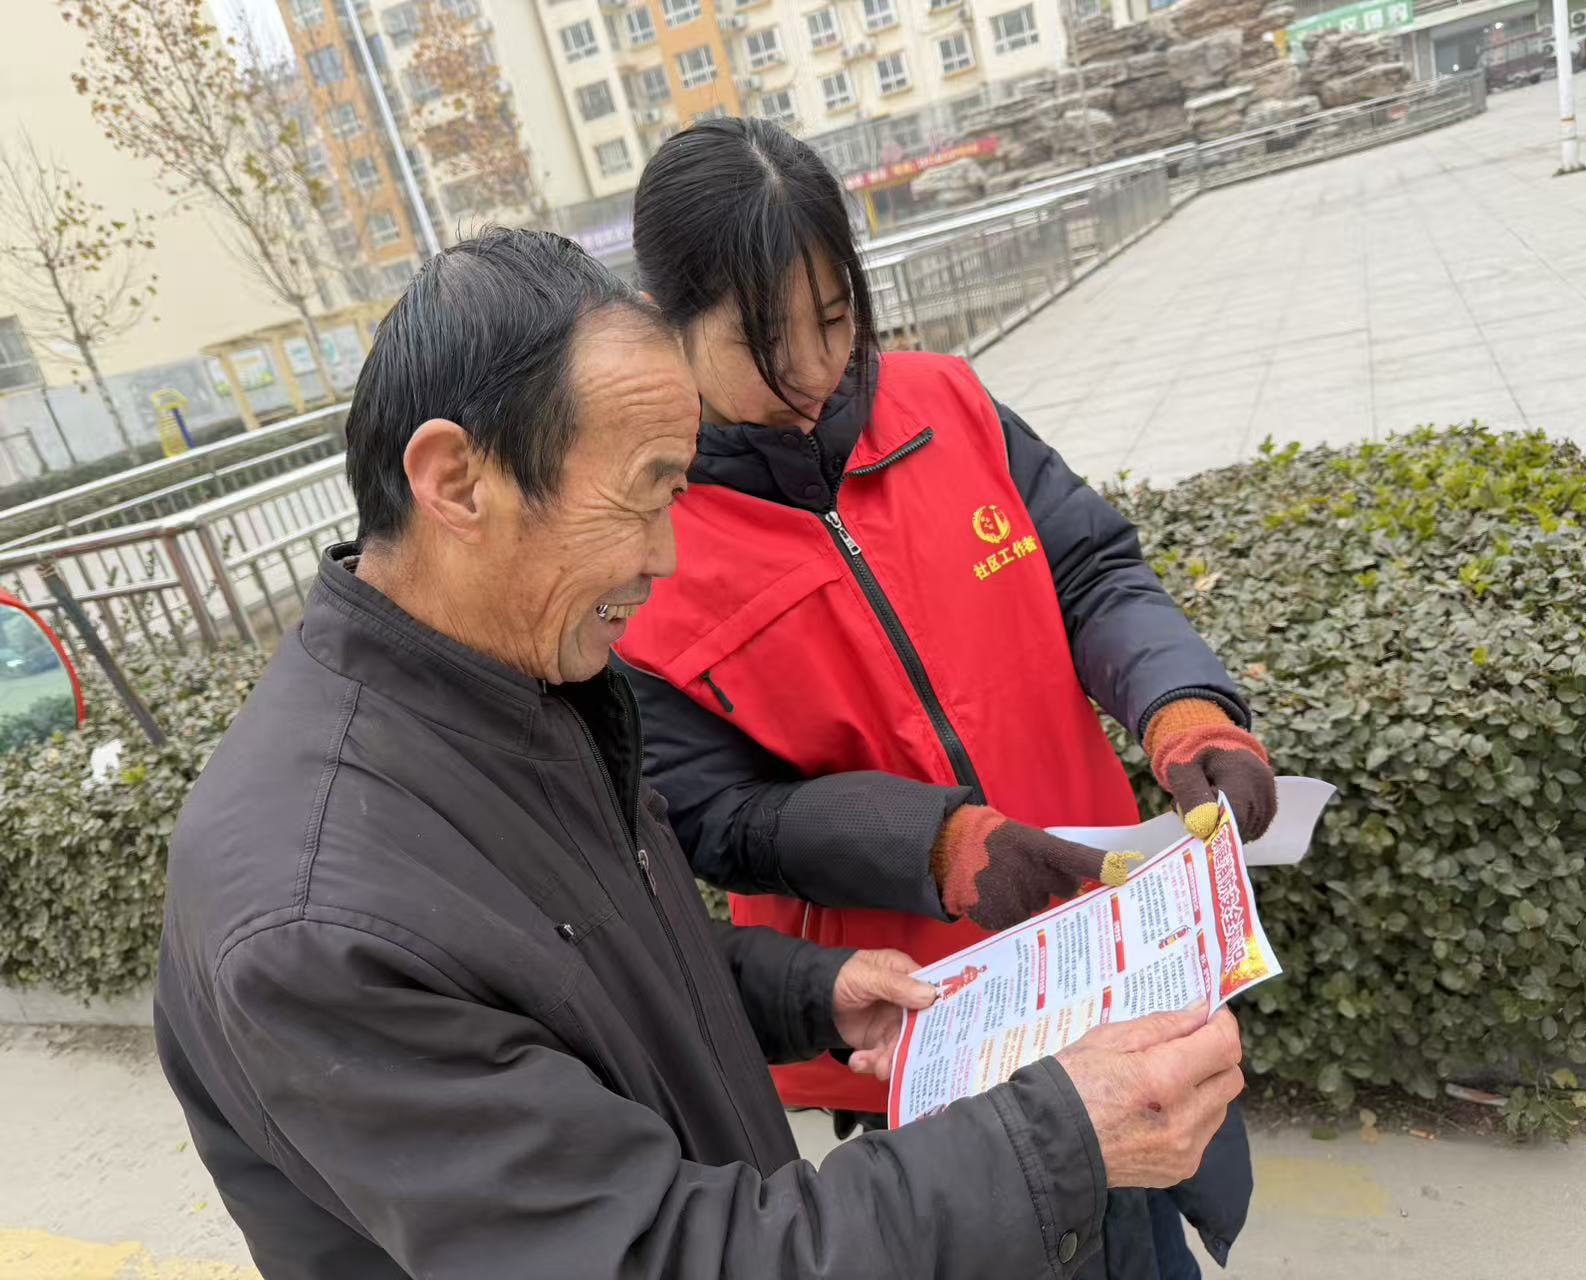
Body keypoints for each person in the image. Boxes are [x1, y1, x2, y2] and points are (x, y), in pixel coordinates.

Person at [153, 227, 1247, 1280]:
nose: (665, 556)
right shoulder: (316, 924)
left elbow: (597, 964)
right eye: (643, 494)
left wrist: (810, 990)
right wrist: (1058, 1135)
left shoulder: (509, 695)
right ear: (456, 482)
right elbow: (655, 1253)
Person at [615, 119, 1275, 1279]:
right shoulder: (651, 546)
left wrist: (1181, 704)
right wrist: (939, 845)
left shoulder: (947, 404)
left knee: (1147, 1236)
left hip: (1102, 956)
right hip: (921, 1034)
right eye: (766, 342)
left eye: (835, 318)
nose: (815, 371)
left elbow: (1091, 571)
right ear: (668, 322)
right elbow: (722, 815)